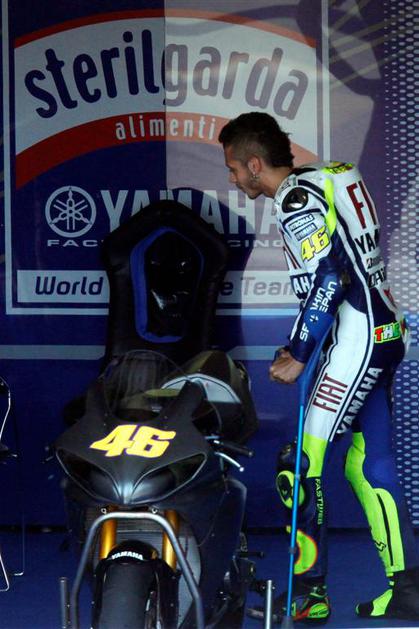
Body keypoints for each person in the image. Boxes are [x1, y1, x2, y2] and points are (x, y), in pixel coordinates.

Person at [218, 112, 419, 624]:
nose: (233, 178)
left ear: (255, 164)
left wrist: (300, 353)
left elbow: (331, 277)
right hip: (385, 330)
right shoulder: (333, 173)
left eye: (234, 168)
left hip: (356, 340)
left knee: (298, 467)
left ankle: (310, 594)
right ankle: (409, 589)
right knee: (368, 464)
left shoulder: (294, 199)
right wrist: (301, 343)